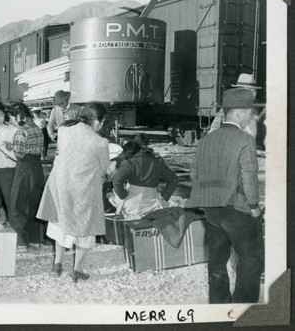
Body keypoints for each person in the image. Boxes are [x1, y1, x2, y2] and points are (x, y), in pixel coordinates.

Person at [188, 88, 264, 304]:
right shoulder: (244, 139)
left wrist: (211, 194)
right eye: (250, 112)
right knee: (252, 259)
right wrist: (254, 206)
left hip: (211, 211)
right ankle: (242, 309)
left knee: (218, 259)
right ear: (239, 114)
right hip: (236, 209)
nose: (252, 116)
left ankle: (219, 306)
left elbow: (194, 174)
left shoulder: (205, 140)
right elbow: (248, 176)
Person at [36, 102, 110, 283]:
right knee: (86, 227)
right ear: (98, 121)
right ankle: (77, 270)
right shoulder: (100, 142)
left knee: (60, 222)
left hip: (60, 184)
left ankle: (57, 264)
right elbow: (104, 169)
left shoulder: (64, 130)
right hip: (83, 189)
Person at [0, 103, 47, 252]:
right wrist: (12, 146)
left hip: (24, 169)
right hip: (37, 168)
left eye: (11, 118)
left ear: (18, 117)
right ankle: (35, 240)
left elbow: (18, 156)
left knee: (18, 204)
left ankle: (21, 243)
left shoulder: (20, 132)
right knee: (34, 204)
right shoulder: (37, 129)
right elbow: (30, 149)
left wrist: (3, 149)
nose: (10, 121)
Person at [108, 140, 178, 221]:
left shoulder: (130, 163)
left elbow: (116, 181)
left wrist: (123, 195)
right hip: (153, 204)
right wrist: (164, 196)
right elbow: (174, 179)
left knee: (110, 196)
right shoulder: (157, 161)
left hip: (132, 205)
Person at [209, 73, 262, 138]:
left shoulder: (255, 112)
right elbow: (212, 134)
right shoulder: (225, 111)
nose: (254, 94)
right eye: (251, 91)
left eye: (254, 91)